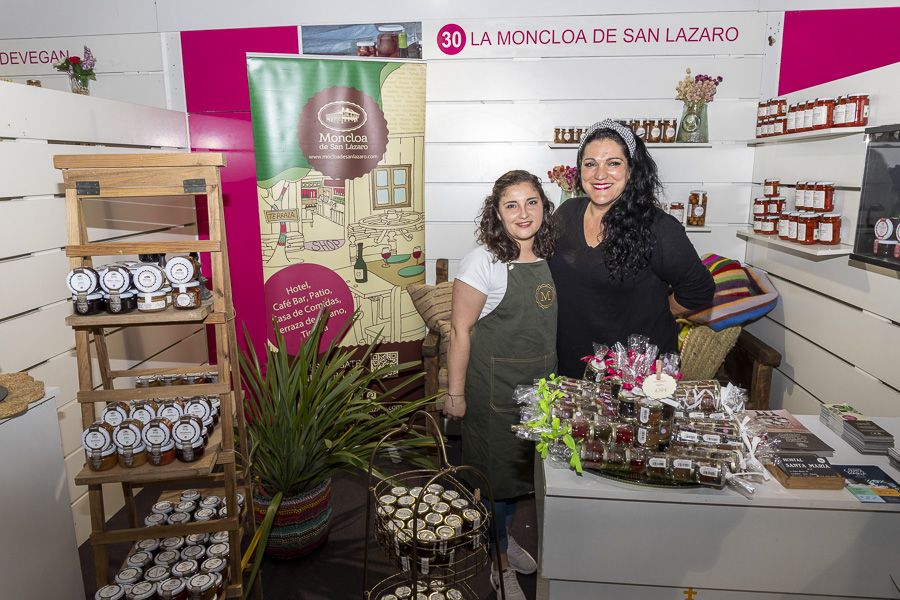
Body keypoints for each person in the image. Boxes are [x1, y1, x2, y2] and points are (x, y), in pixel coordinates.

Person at [444, 169, 557, 600]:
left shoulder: (551, 256)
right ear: (497, 213)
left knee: (526, 479)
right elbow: (460, 331)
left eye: (531, 202)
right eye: (511, 205)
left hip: (540, 392)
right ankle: (500, 563)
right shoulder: (483, 261)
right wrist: (455, 394)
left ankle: (505, 540)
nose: (523, 213)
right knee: (496, 486)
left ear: (544, 207)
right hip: (495, 393)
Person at [549, 119, 715, 378]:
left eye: (613, 163)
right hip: (572, 364)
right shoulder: (566, 213)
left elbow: (699, 290)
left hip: (634, 374)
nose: (600, 174)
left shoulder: (658, 227)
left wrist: (660, 310)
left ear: (632, 169)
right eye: (590, 164)